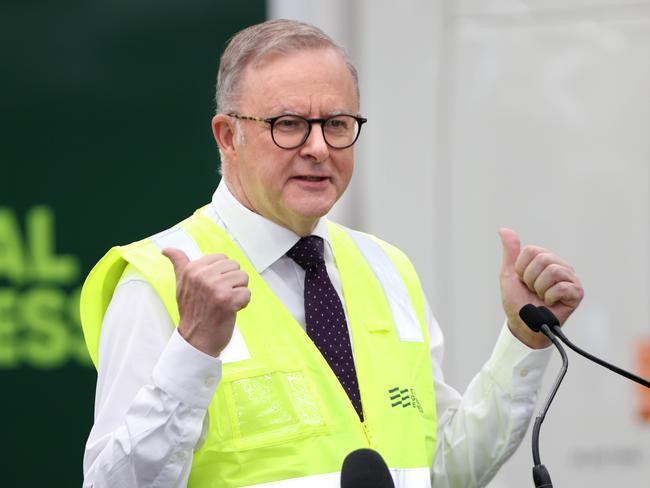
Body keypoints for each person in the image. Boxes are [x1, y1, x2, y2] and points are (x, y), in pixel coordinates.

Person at [80, 19, 583, 488]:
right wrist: (192, 349)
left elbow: (438, 471)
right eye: (289, 124)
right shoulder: (160, 280)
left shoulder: (387, 268)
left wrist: (523, 338)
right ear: (228, 136)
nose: (319, 148)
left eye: (337, 124)